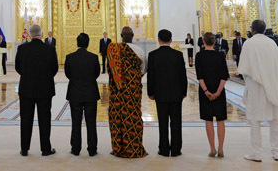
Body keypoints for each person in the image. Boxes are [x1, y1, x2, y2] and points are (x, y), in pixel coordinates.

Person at [238, 20, 278, 162]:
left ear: (253, 29)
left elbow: (244, 68)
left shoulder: (249, 43)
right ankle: (277, 152)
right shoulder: (272, 43)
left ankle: (256, 153)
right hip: (272, 85)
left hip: (256, 86)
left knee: (255, 121)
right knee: (274, 121)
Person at [15, 24, 58, 157]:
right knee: (45, 119)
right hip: (45, 89)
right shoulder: (49, 49)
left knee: (26, 119)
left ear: (30, 34)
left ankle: (24, 149)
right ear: (42, 33)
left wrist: (28, 76)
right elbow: (54, 69)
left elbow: (18, 68)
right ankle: (45, 149)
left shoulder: (22, 48)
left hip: (26, 88)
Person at [107, 26, 147, 158]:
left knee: (117, 116)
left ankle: (118, 147)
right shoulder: (140, 51)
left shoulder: (114, 49)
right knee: (133, 115)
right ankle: (134, 148)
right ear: (133, 35)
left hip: (117, 90)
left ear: (121, 35)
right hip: (133, 88)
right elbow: (142, 70)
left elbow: (111, 70)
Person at [147, 29, 187, 157]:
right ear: (171, 40)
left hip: (160, 93)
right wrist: (184, 92)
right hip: (176, 94)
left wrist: (150, 92)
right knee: (176, 122)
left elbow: (150, 76)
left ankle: (163, 149)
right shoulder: (178, 55)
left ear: (158, 40)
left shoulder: (153, 55)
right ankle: (176, 149)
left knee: (162, 122)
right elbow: (183, 75)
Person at [64, 33, 101, 157]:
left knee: (76, 122)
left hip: (75, 93)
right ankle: (92, 149)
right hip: (90, 93)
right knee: (91, 123)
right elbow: (97, 73)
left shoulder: (69, 57)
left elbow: (68, 74)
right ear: (88, 43)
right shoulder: (94, 57)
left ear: (77, 43)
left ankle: (75, 148)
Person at [195, 32, 229, 158]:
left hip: (205, 91)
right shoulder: (220, 55)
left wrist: (206, 91)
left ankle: (212, 148)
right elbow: (224, 75)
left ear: (203, 42)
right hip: (219, 90)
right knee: (220, 120)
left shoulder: (199, 56)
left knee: (208, 120)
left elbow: (200, 76)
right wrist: (219, 91)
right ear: (214, 42)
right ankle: (221, 148)